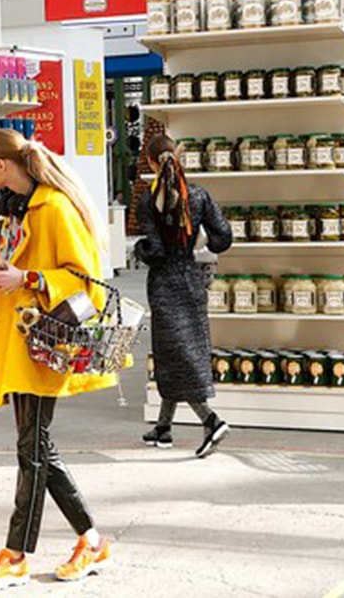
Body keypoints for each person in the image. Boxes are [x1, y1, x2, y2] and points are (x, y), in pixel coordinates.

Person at [0, 129, 113, 591]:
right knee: (38, 449)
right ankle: (91, 541)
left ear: (4, 166)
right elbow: (19, 273)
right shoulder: (21, 209)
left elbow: (85, 280)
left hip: (44, 346)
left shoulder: (53, 208)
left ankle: (15, 555)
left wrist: (25, 276)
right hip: (21, 344)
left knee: (31, 451)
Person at [134, 133, 233, 458]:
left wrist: (139, 249)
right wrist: (199, 243)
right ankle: (164, 427)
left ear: (150, 162)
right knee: (180, 350)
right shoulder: (199, 195)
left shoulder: (149, 200)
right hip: (192, 280)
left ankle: (211, 421)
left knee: (176, 353)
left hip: (164, 283)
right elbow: (224, 237)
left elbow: (156, 250)